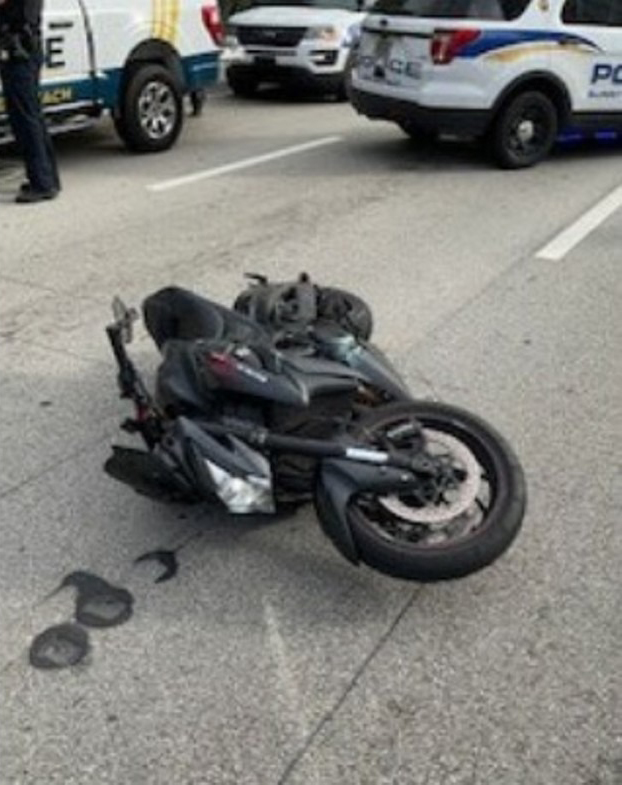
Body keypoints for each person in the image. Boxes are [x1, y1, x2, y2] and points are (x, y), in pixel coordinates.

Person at [0, 0, 60, 203]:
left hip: (20, 52)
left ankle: (42, 184)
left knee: (25, 120)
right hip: (24, 48)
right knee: (32, 116)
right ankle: (48, 179)